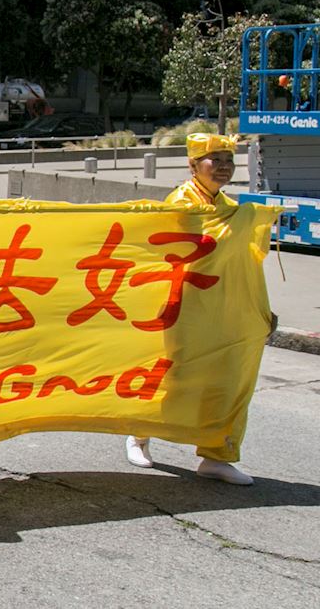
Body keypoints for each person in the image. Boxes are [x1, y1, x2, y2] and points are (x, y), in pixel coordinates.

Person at [124, 133, 258, 485]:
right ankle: (138, 435)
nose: (224, 167)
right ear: (194, 165)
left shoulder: (229, 206)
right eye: (215, 160)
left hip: (221, 310)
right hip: (183, 309)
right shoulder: (181, 203)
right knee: (173, 378)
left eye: (229, 161)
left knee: (226, 382)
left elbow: (239, 261)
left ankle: (216, 456)